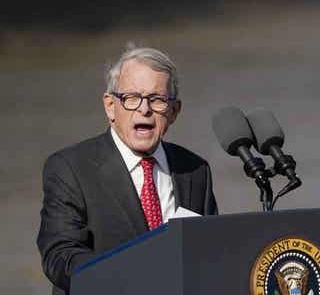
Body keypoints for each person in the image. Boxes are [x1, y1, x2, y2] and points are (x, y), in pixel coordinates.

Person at [37, 46, 217, 295]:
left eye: (157, 99)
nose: (144, 109)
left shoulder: (195, 171)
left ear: (174, 112)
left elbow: (211, 253)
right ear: (110, 106)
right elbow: (60, 257)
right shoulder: (70, 168)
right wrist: (129, 278)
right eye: (131, 98)